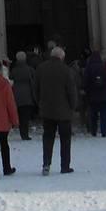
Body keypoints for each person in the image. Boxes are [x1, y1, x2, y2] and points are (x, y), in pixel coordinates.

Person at [36, 46, 77, 175]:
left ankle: (46, 164)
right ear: (61, 57)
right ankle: (65, 166)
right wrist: (73, 106)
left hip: (47, 110)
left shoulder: (41, 68)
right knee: (65, 139)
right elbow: (71, 91)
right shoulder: (66, 70)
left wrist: (40, 103)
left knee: (48, 138)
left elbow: (36, 88)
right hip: (64, 111)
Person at [82, 49, 106, 138]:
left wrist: (85, 90)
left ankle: (94, 131)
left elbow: (85, 81)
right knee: (104, 114)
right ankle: (104, 131)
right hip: (104, 96)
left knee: (93, 115)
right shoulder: (104, 67)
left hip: (93, 96)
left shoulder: (88, 68)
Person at [9, 51, 37, 141]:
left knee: (20, 115)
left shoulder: (14, 70)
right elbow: (34, 81)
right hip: (27, 95)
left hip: (17, 95)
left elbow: (11, 80)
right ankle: (25, 134)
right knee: (25, 116)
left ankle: (22, 132)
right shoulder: (30, 69)